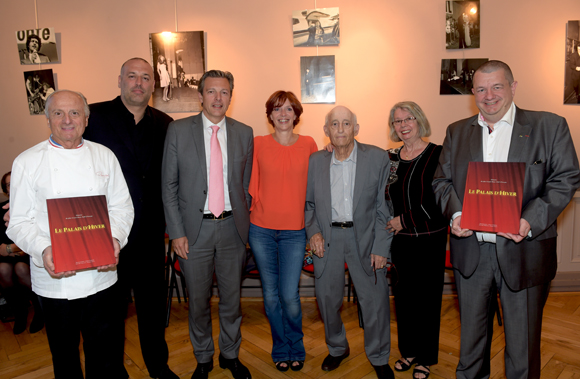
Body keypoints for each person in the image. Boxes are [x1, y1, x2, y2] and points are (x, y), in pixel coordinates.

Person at [433, 60, 580, 379]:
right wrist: (457, 213)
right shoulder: (457, 132)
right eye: (482, 89)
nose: (489, 96)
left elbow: (565, 178)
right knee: (471, 345)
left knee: (522, 349)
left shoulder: (549, 126)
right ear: (472, 93)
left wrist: (529, 220)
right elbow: (441, 181)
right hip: (472, 253)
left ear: (513, 87)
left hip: (524, 251)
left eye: (497, 86)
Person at [6, 90, 134, 378]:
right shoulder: (27, 162)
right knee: (64, 356)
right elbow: (18, 222)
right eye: (58, 113)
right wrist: (43, 249)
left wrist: (114, 240)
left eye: (75, 113)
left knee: (105, 355)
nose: (67, 120)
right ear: (48, 119)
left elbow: (122, 208)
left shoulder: (105, 156)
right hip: (55, 279)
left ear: (86, 119)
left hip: (102, 276)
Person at [83, 57, 177, 379]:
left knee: (151, 308)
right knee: (109, 311)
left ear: (154, 84)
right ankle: (112, 372)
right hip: (107, 234)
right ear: (120, 80)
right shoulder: (93, 117)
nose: (139, 83)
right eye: (132, 76)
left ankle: (158, 366)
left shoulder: (166, 124)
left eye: (146, 78)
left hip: (151, 234)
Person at [162, 70, 253, 379]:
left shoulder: (244, 132)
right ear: (200, 95)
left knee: (232, 301)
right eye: (211, 92)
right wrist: (176, 232)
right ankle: (203, 357)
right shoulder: (178, 130)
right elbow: (168, 186)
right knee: (198, 302)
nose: (218, 98)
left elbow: (245, 185)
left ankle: (230, 355)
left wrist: (245, 226)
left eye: (224, 92)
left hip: (232, 230)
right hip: (193, 232)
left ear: (231, 96)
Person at [305, 106, 394, 379]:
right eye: (335, 124)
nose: (340, 129)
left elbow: (384, 208)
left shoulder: (378, 158)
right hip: (328, 238)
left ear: (356, 128)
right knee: (327, 299)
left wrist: (381, 247)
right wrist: (313, 232)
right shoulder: (316, 161)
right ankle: (336, 349)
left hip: (365, 238)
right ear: (326, 130)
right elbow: (308, 205)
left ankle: (379, 356)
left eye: (346, 124)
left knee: (375, 301)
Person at [247, 91, 317, 372]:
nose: (283, 114)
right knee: (270, 296)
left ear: (296, 114)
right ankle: (280, 348)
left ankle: (296, 346)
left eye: (289, 109)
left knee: (289, 295)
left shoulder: (310, 144)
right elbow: (250, 187)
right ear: (270, 115)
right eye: (277, 109)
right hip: (261, 230)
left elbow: (316, 190)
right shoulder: (258, 143)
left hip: (295, 232)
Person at [385, 102, 448, 379]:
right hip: (400, 242)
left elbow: (439, 201)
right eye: (397, 121)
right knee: (404, 299)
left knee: (427, 300)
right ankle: (408, 351)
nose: (403, 125)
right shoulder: (390, 158)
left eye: (408, 118)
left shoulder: (438, 154)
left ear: (419, 120)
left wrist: (404, 220)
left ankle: (425, 358)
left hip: (429, 240)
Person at [0, 171, 44, 335]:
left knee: (21, 268)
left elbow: (35, 235)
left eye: (16, 182)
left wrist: (11, 249)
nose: (13, 186)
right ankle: (20, 313)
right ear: (6, 190)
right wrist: (8, 250)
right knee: (3, 269)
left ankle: (39, 312)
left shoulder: (34, 207)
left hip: (28, 255)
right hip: (5, 257)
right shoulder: (1, 209)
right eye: (9, 184)